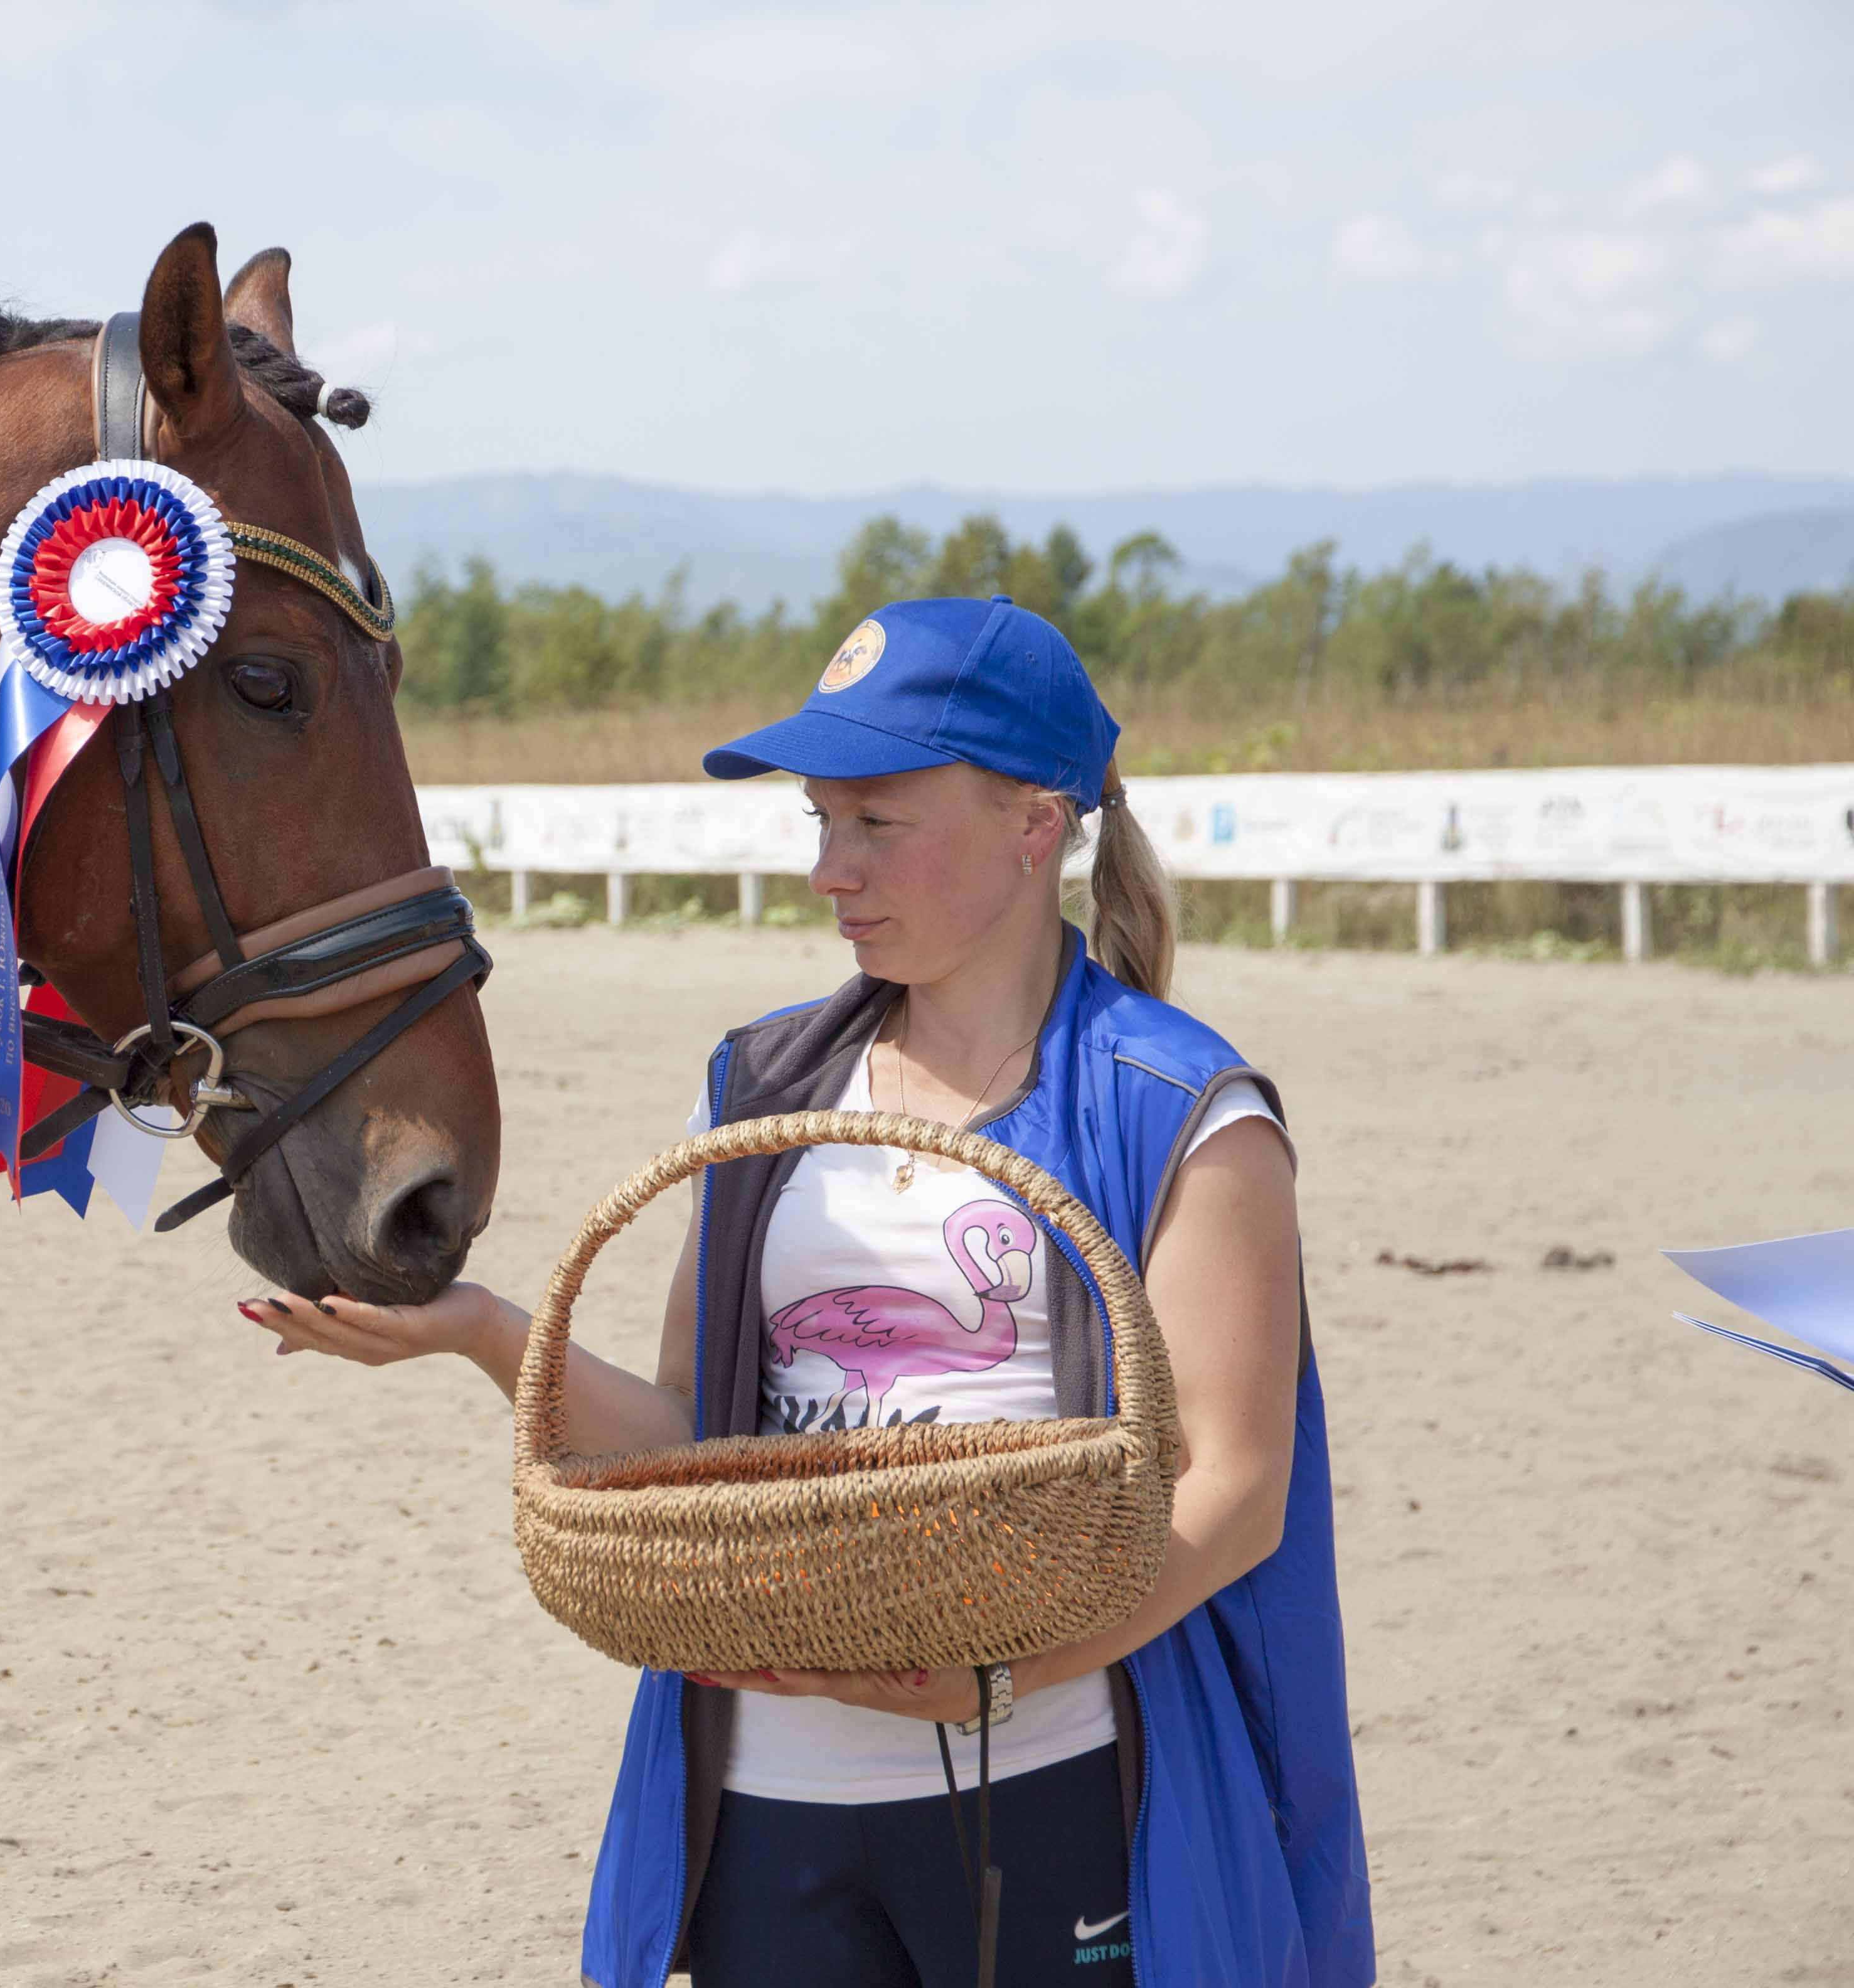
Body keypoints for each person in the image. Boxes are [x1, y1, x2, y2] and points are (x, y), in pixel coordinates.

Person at [242, 596, 1372, 1988]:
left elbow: (1236, 1491)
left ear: (1036, 824)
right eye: (817, 823)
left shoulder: (1182, 1108)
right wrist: (488, 1338)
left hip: (1056, 1779)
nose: (831, 870)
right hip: (769, 1800)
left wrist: (1003, 1680)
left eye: (877, 824)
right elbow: (694, 1449)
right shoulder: (764, 1090)